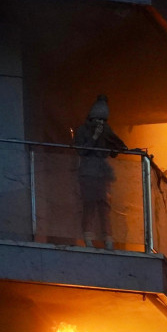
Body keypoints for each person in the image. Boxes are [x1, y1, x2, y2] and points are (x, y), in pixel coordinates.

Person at [73, 95, 127, 249]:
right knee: (89, 206)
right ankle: (88, 238)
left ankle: (108, 239)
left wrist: (116, 146)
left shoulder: (106, 131)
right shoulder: (83, 131)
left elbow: (116, 146)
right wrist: (94, 137)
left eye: (103, 121)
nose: (101, 124)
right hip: (88, 174)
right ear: (92, 118)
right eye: (98, 120)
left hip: (102, 175)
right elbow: (81, 150)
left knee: (104, 208)